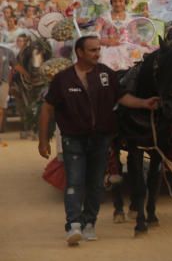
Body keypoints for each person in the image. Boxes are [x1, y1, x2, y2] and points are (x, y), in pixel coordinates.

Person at [37, 35, 160, 246]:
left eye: (98, 49)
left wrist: (143, 103)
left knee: (95, 185)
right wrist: (43, 141)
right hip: (73, 139)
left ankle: (89, 224)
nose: (97, 53)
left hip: (101, 139)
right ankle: (73, 225)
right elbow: (47, 109)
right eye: (92, 50)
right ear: (79, 52)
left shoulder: (106, 74)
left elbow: (121, 97)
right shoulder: (63, 79)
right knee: (75, 182)